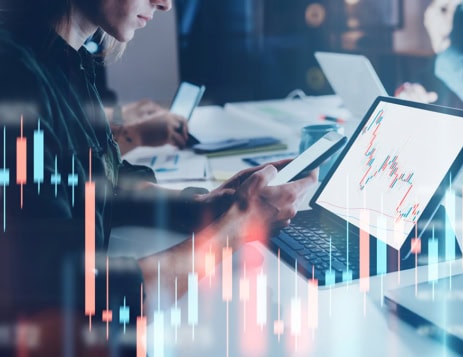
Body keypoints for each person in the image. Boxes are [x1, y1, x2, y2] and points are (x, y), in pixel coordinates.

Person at [0, 0, 315, 353]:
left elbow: (96, 181)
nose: (165, 4)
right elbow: (88, 305)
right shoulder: (14, 78)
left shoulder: (63, 58)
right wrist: (238, 227)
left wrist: (200, 206)